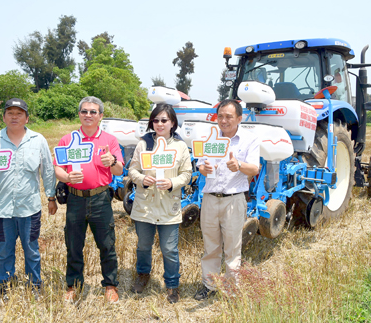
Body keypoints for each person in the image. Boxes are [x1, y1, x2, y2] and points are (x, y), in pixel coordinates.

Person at [0, 98, 57, 298]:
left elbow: (47, 170)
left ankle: (35, 284)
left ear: (27, 118)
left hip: (29, 208)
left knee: (31, 249)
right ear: (4, 117)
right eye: (10, 113)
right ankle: (5, 283)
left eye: (19, 113)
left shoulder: (38, 140)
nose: (14, 117)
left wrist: (51, 196)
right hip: (2, 208)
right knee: (5, 250)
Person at [54, 96, 124, 304]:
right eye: (84, 111)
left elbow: (119, 169)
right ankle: (74, 286)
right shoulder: (68, 140)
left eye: (93, 112)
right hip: (75, 199)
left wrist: (111, 161)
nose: (88, 115)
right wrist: (66, 178)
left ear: (101, 116)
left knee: (106, 244)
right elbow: (58, 167)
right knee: (73, 244)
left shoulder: (109, 140)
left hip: (101, 198)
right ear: (79, 114)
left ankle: (110, 285)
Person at [193, 99, 260, 300]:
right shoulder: (209, 138)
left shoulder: (250, 139)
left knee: (232, 247)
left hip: (234, 199)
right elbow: (200, 164)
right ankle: (209, 285)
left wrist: (238, 165)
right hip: (210, 199)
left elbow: (255, 168)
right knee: (210, 246)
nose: (224, 120)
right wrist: (202, 169)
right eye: (220, 116)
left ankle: (232, 288)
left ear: (239, 118)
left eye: (229, 116)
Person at [128, 103, 192, 304]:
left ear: (172, 122)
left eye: (164, 120)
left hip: (168, 206)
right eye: (155, 120)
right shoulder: (143, 144)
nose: (159, 123)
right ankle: (143, 275)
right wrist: (141, 180)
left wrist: (173, 182)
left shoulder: (180, 146)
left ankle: (172, 284)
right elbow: (133, 170)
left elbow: (187, 174)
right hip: (145, 206)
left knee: (169, 249)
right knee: (144, 245)